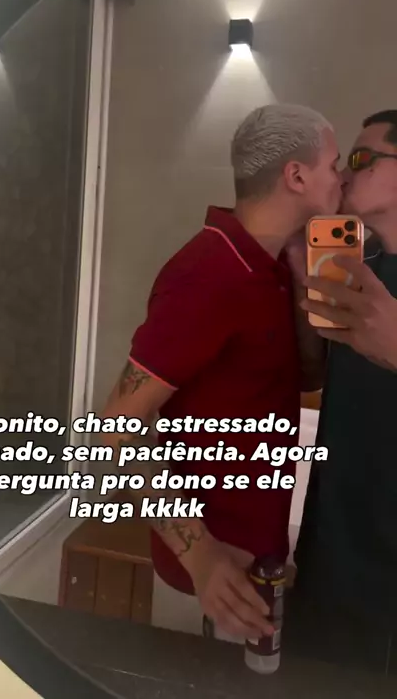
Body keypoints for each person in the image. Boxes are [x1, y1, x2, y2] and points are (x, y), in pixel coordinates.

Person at [97, 103, 342, 643]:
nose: (341, 177)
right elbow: (112, 431)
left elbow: (306, 378)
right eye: (334, 163)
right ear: (296, 176)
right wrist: (201, 556)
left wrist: (304, 289)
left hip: (261, 549)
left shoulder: (274, 264)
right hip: (212, 569)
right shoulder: (208, 275)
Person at [292, 110, 397, 667]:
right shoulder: (358, 265)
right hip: (328, 553)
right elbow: (316, 376)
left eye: (362, 158)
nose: (346, 173)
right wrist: (302, 303)